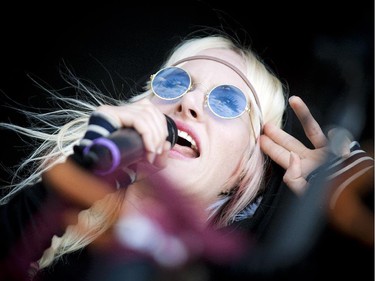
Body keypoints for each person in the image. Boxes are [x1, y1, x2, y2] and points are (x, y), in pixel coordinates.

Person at [0, 31, 373, 281]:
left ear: (243, 173)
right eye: (174, 82)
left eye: (228, 102)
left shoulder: (245, 268)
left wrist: (352, 220)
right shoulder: (45, 234)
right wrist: (77, 177)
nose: (188, 102)